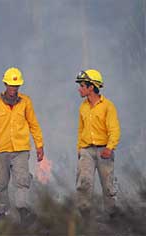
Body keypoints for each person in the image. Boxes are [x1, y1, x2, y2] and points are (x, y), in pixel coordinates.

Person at [0, 67, 44, 226]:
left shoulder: (26, 102)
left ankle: (23, 212)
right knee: (0, 184)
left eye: (17, 86)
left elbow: (34, 125)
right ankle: (2, 214)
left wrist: (39, 145)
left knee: (22, 182)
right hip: (1, 150)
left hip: (21, 150)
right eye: (11, 86)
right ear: (5, 84)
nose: (14, 89)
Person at [75, 69, 120, 221]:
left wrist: (109, 147)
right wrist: (80, 149)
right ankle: (85, 217)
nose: (79, 89)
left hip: (104, 150)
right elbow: (81, 129)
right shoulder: (83, 107)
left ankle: (113, 216)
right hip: (86, 150)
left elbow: (114, 129)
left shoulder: (108, 106)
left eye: (82, 86)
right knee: (83, 183)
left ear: (91, 87)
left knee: (108, 186)